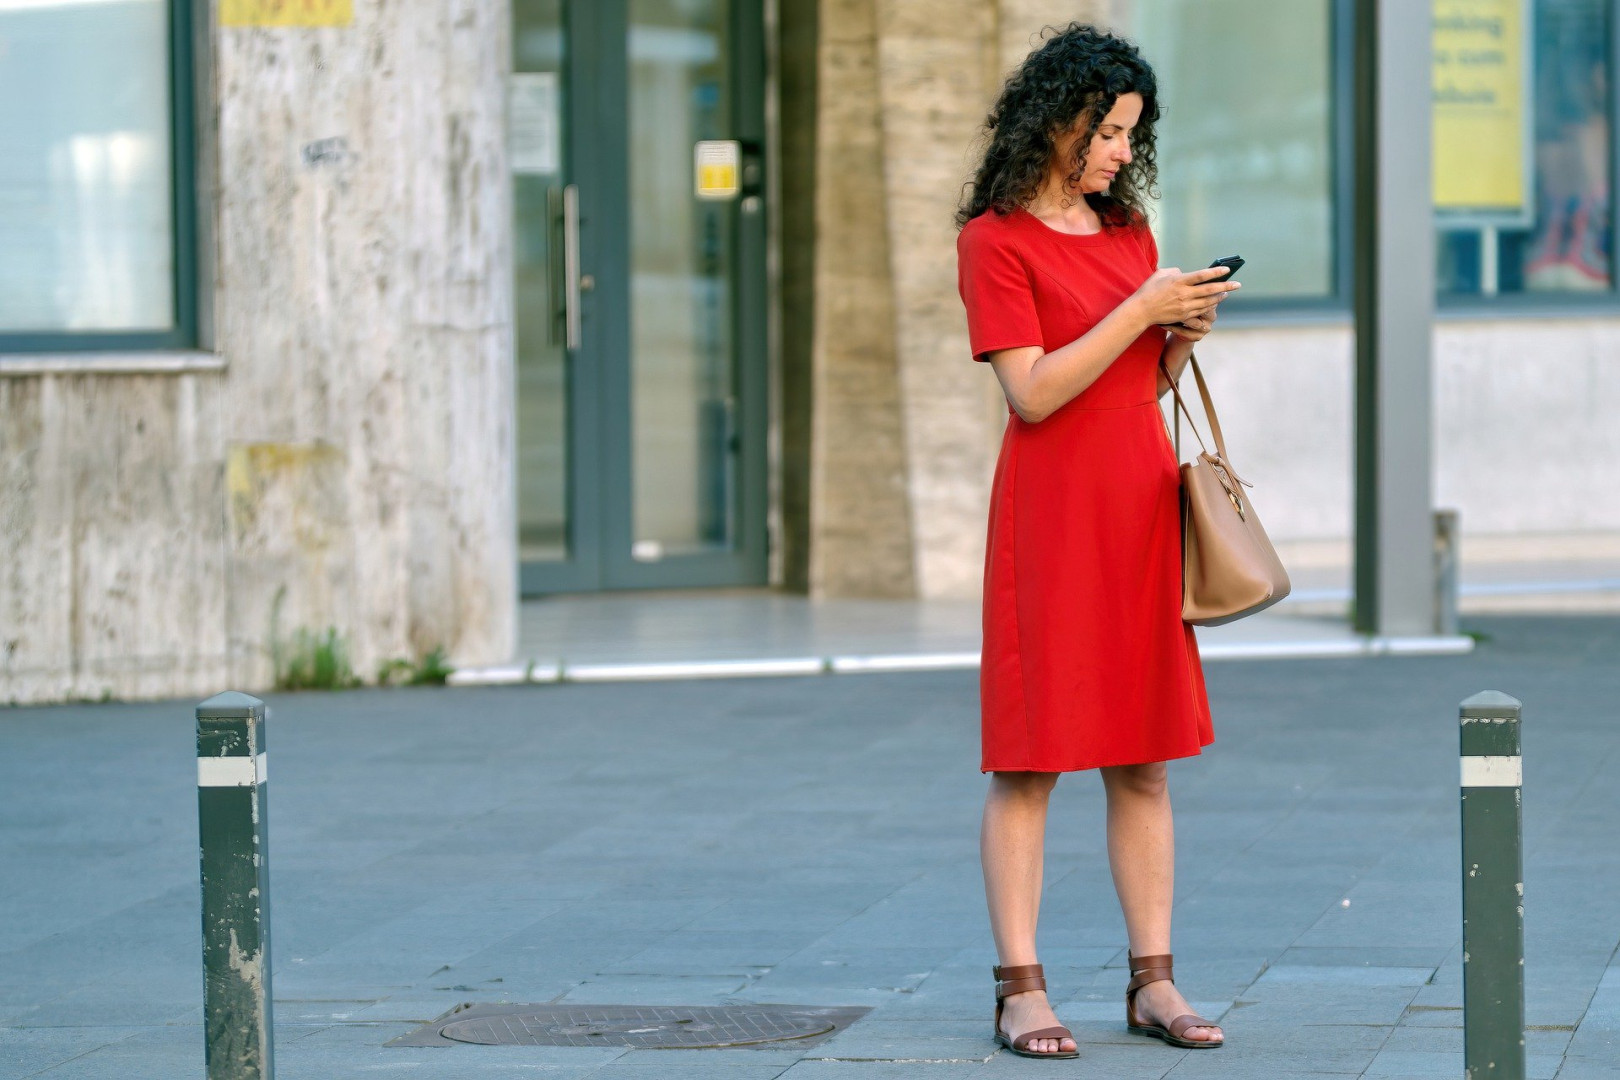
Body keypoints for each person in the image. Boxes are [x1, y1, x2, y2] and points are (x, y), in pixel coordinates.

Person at [954, 24, 1240, 1060]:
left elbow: (1131, 392)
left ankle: (1153, 981)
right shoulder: (993, 241)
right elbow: (1032, 395)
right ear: (1058, 121)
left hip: (1137, 510)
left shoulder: (1128, 236)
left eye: (1132, 135)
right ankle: (1020, 988)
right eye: (1110, 131)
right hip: (1051, 520)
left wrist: (1176, 338)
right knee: (1031, 763)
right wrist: (1139, 314)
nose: (1124, 153)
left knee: (1146, 762)